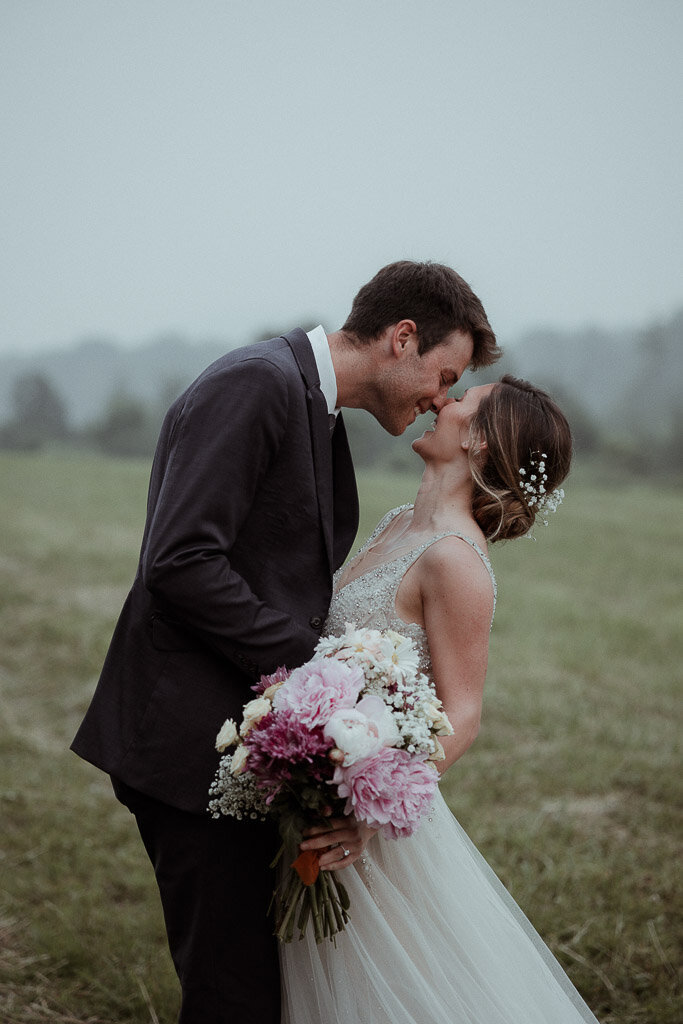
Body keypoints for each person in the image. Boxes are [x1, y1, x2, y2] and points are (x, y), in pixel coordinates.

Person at [70, 260, 500, 1023]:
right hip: (187, 744)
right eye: (445, 374)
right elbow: (180, 561)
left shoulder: (313, 408)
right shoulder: (258, 385)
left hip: (237, 747)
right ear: (402, 338)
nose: (441, 399)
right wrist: (319, 672)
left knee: (250, 985)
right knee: (232, 993)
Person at [281, 376, 602, 1023]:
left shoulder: (453, 559)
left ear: (479, 439)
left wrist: (369, 810)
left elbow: (462, 713)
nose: (437, 402)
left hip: (365, 810)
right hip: (319, 778)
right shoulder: (398, 522)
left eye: (460, 400)